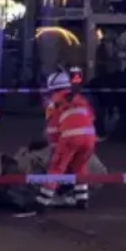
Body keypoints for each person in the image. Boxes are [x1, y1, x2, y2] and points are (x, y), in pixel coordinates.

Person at [37, 68, 97, 211]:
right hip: (89, 137)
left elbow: (52, 129)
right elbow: (91, 117)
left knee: (56, 167)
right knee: (79, 167)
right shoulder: (81, 99)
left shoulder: (54, 103)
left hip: (70, 137)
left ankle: (42, 201)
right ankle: (82, 199)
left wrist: (54, 148)